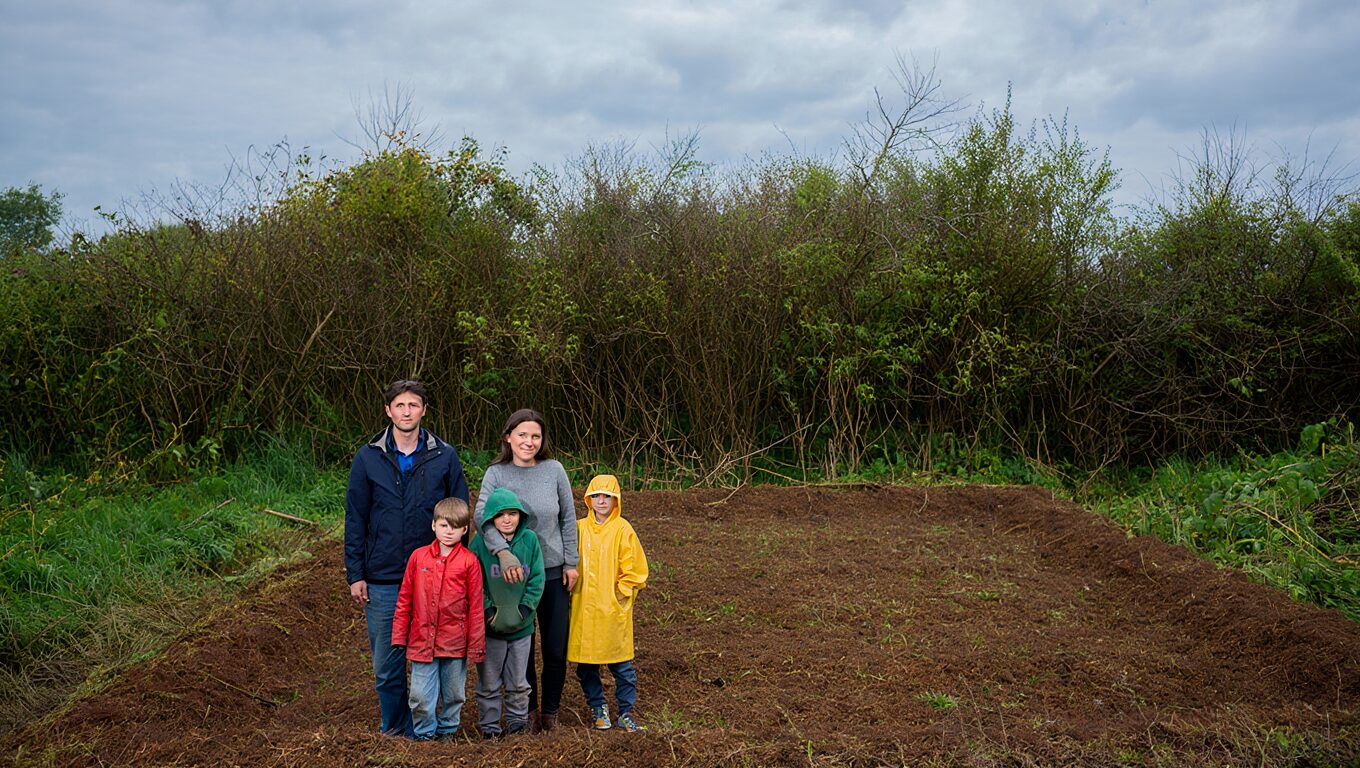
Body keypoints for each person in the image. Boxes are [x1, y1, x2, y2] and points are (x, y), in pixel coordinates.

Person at [344, 379, 470, 737]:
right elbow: (355, 518)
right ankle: (396, 728)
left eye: (413, 405)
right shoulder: (368, 456)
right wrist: (356, 573)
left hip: (435, 574)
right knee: (388, 662)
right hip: (383, 575)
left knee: (438, 653)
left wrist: (458, 568)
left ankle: (436, 728)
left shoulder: (444, 455)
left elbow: (461, 513)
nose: (406, 412)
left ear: (423, 410)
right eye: (399, 406)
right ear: (388, 411)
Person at [473, 408, 578, 731]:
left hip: (552, 572)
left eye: (535, 436)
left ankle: (551, 712)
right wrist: (502, 552)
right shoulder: (497, 474)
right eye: (522, 435)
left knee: (555, 648)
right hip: (513, 576)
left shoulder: (554, 470)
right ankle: (528, 713)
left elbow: (568, 518)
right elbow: (481, 516)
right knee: (523, 645)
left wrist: (572, 562)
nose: (528, 441)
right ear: (508, 437)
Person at [391, 498, 485, 740]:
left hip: (455, 641)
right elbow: (405, 600)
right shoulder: (418, 558)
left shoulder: (469, 562)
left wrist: (475, 645)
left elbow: (476, 607)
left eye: (455, 527)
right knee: (420, 695)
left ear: (465, 530)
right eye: (444, 525)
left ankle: (447, 732)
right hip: (422, 640)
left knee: (454, 693)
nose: (449, 531)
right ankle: (424, 735)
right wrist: (400, 636)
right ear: (433, 526)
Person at [567, 474, 649, 732]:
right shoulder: (579, 528)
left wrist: (622, 593)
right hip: (583, 608)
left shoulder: (623, 529)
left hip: (612, 610)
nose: (601, 501)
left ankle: (626, 711)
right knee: (586, 665)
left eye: (607, 497)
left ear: (616, 500)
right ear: (588, 499)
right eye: (596, 496)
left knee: (622, 666)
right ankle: (598, 707)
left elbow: (635, 568)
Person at [469, 488, 545, 738]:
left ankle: (516, 724)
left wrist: (525, 609)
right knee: (489, 683)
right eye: (500, 515)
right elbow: (474, 581)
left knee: (518, 682)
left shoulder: (530, 541)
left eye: (512, 513)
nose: (507, 519)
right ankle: (490, 728)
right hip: (491, 630)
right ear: (490, 519)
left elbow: (537, 578)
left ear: (520, 516)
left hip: (521, 628)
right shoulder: (479, 543)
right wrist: (488, 610)